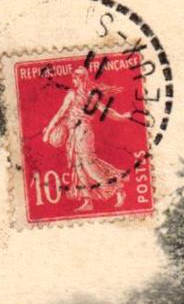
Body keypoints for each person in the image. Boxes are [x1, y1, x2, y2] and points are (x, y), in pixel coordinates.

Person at [42, 66, 133, 212]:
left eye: (75, 78)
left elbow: (106, 110)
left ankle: (117, 188)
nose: (73, 81)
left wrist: (122, 117)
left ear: (81, 79)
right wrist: (48, 131)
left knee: (89, 165)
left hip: (84, 132)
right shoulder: (72, 94)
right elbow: (60, 113)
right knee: (78, 168)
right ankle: (87, 201)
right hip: (73, 134)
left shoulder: (90, 95)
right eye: (73, 78)